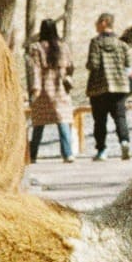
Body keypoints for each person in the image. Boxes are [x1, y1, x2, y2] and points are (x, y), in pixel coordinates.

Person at [85, 12, 132, 161]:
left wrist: (88, 65)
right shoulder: (122, 42)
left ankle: (102, 150)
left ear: (104, 22)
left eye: (98, 22)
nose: (96, 25)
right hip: (120, 86)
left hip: (99, 88)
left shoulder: (96, 42)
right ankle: (124, 142)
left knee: (100, 121)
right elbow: (129, 63)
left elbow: (93, 64)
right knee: (120, 117)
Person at [26, 19, 76, 164]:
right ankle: (67, 154)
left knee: (38, 123)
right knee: (63, 120)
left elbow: (35, 70)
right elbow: (71, 66)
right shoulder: (63, 46)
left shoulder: (36, 47)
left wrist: (35, 89)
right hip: (60, 88)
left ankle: (32, 154)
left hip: (43, 89)